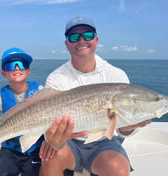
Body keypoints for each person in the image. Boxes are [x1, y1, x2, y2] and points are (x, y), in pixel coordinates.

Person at [39, 15, 152, 176]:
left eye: (87, 35)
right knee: (49, 160)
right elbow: (47, 119)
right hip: (69, 142)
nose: (81, 41)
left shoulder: (116, 76)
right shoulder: (56, 78)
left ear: (96, 40)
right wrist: (52, 139)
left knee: (119, 170)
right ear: (67, 44)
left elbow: (122, 130)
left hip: (105, 143)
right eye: (74, 37)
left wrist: (127, 128)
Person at [0, 47, 56, 176]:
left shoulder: (42, 92)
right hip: (10, 152)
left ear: (28, 71)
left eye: (22, 64)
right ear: (4, 73)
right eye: (11, 65)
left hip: (36, 149)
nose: (17, 68)